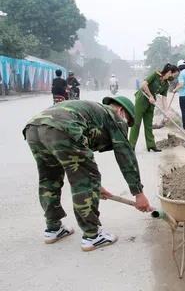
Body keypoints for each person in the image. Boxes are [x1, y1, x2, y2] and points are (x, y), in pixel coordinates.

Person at [23, 96, 151, 251]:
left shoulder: (96, 112)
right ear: (122, 111)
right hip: (62, 127)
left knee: (49, 177)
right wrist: (138, 193)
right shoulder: (115, 116)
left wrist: (95, 185)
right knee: (83, 181)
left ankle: (53, 228)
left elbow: (82, 161)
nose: (125, 126)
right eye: (128, 121)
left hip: (34, 128)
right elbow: (125, 156)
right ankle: (92, 235)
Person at [129, 63, 179, 152]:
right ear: (170, 73)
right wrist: (151, 96)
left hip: (151, 102)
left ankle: (151, 145)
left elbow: (164, 99)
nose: (174, 77)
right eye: (174, 75)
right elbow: (144, 84)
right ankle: (131, 146)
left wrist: (166, 112)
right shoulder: (155, 75)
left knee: (148, 123)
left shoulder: (166, 84)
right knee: (136, 122)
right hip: (142, 99)